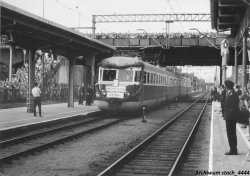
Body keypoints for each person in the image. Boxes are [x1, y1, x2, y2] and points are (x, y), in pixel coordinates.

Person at [224, 80, 240, 155]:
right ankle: (233, 149)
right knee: (231, 133)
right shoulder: (231, 93)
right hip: (229, 116)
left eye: (225, 86)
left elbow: (234, 106)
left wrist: (229, 114)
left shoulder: (233, 94)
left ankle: (233, 150)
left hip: (231, 117)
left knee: (231, 133)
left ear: (227, 86)